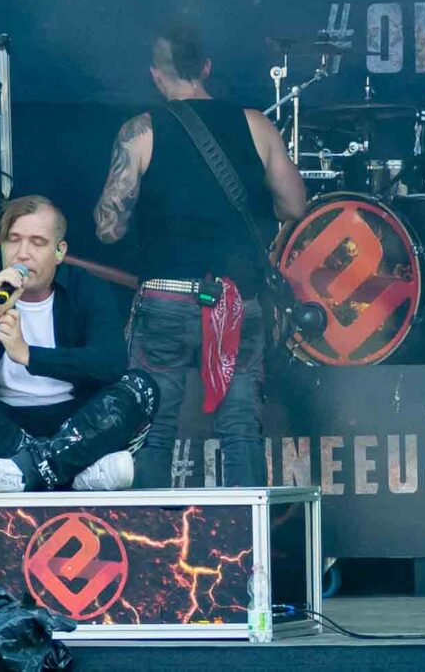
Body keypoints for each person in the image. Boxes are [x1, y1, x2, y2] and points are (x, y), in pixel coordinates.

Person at [93, 24, 307, 488]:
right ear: (206, 67)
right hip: (235, 299)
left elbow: (108, 230)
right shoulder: (256, 124)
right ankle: (249, 535)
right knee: (241, 430)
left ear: (155, 74)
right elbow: (295, 206)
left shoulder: (141, 132)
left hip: (165, 299)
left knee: (153, 429)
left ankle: (151, 533)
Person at [0, 193, 158, 492]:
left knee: (140, 387)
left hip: (77, 421)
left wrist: (29, 355)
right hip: (5, 424)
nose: (23, 254)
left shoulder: (88, 290)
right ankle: (72, 472)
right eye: (13, 240)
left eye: (37, 243)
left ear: (59, 252)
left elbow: (110, 364)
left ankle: (22, 472)